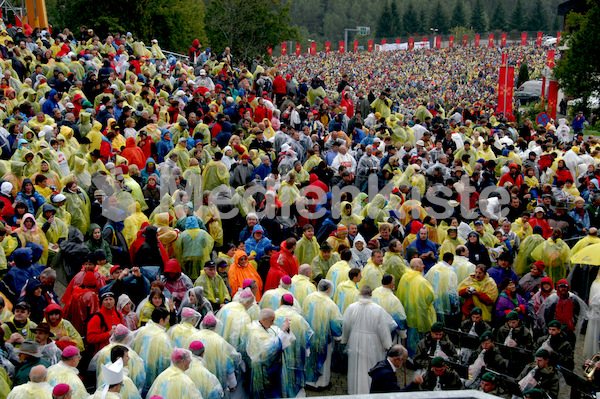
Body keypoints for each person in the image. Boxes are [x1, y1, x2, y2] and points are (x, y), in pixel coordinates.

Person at [341, 285, 396, 395]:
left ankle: (354, 390)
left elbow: (346, 325)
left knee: (356, 367)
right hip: (373, 342)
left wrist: (345, 340)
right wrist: (387, 345)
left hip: (355, 340)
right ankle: (370, 390)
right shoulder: (378, 309)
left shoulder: (351, 307)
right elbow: (383, 329)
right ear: (371, 295)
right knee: (371, 365)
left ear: (360, 294)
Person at [182, 313, 239, 394]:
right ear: (215, 326)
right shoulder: (219, 341)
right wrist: (232, 384)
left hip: (194, 380)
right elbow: (227, 363)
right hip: (214, 383)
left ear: (202, 324)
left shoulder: (192, 337)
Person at [246, 308, 294, 399]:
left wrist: (286, 330)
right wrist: (282, 332)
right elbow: (267, 350)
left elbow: (278, 336)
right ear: (264, 319)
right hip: (262, 370)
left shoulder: (266, 326)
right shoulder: (256, 332)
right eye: (272, 320)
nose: (273, 323)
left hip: (271, 367)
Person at [303, 279, 343, 389]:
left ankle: (309, 381)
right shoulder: (331, 304)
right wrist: (338, 336)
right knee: (324, 361)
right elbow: (336, 322)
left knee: (310, 358)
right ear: (329, 289)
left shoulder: (309, 298)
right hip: (323, 338)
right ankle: (321, 383)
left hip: (310, 336)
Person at [274, 294, 314, 398]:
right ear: (292, 303)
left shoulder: (274, 315)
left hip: (278, 352)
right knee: (293, 374)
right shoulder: (299, 318)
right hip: (295, 353)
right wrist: (306, 349)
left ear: (281, 302)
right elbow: (307, 334)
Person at [396, 258, 436, 357]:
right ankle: (417, 358)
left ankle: (409, 356)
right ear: (417, 267)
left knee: (409, 338)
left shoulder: (405, 277)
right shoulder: (421, 281)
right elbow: (430, 296)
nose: (424, 266)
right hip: (418, 315)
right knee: (418, 340)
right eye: (422, 264)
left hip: (407, 313)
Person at [132, 307, 175, 394]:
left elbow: (135, 349)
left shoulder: (142, 330)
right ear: (161, 320)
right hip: (153, 374)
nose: (167, 321)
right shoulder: (163, 338)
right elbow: (166, 361)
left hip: (139, 371)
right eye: (167, 319)